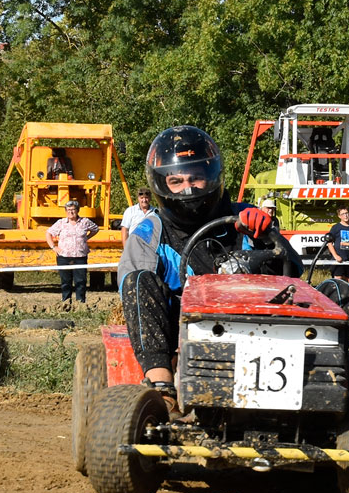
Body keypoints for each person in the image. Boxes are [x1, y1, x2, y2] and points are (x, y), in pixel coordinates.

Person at [120, 126, 324, 394]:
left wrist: (266, 234)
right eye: (176, 181)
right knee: (136, 281)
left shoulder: (247, 216)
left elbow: (294, 273)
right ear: (161, 184)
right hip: (182, 329)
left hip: (260, 327)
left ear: (212, 176)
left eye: (195, 178)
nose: (188, 189)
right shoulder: (150, 232)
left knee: (339, 291)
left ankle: (321, 380)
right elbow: (132, 287)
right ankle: (161, 385)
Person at [47, 200, 101, 305]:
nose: (71, 212)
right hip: (64, 257)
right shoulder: (61, 223)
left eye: (73, 209)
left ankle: (80, 304)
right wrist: (54, 247)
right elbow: (48, 233)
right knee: (65, 282)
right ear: (65, 211)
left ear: (78, 210)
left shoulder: (85, 222)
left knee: (80, 281)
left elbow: (96, 229)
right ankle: (66, 303)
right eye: (69, 210)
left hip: (80, 257)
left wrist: (86, 237)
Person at [324, 206, 349, 281]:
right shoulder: (335, 227)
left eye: (347, 213)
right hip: (339, 259)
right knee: (338, 280)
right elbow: (329, 243)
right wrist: (335, 256)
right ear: (339, 216)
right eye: (343, 214)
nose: (346, 215)